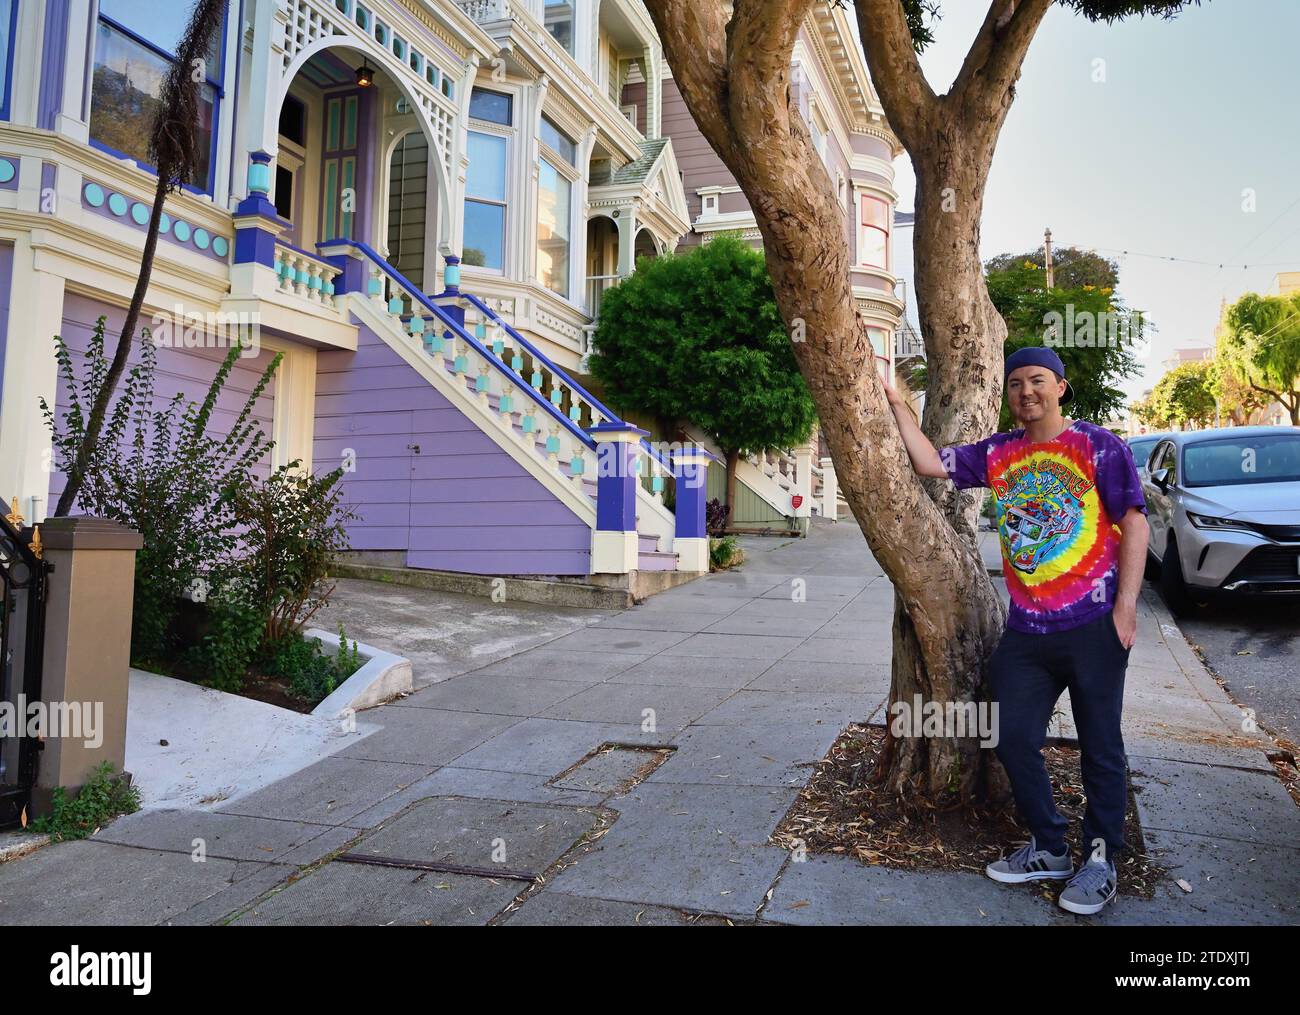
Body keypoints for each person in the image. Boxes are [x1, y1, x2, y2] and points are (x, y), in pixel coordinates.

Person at [884, 346, 1149, 916]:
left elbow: (1134, 522)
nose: (1026, 392)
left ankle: (1100, 860)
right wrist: (899, 405)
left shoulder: (1100, 447)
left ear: (1059, 387)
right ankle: (1051, 846)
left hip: (1094, 625)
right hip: (1027, 630)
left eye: (1037, 381)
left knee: (1101, 747)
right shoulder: (1000, 453)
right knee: (1007, 733)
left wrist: (1126, 607)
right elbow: (932, 463)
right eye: (1015, 384)